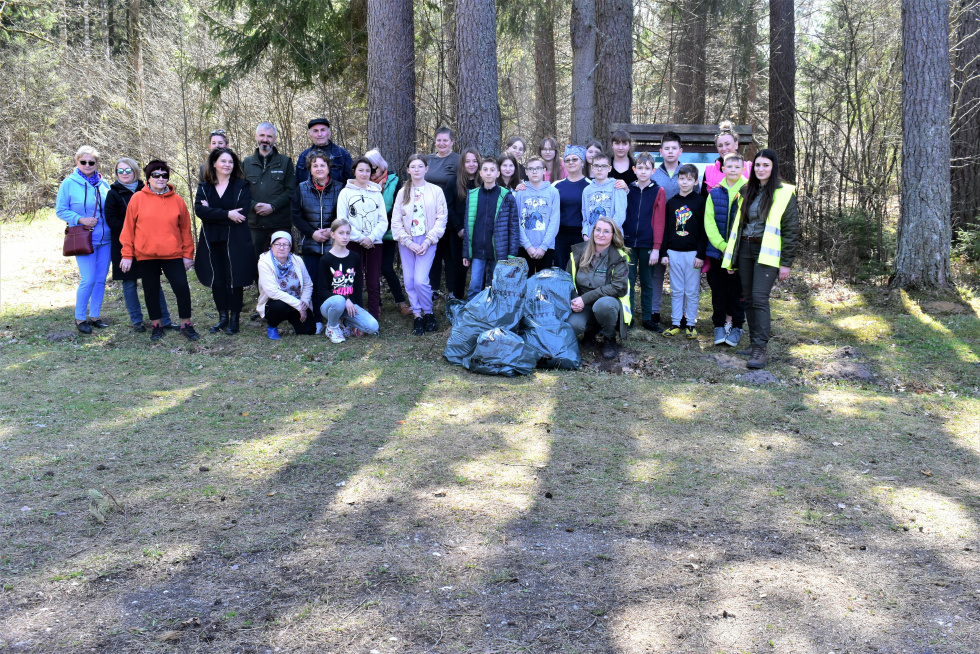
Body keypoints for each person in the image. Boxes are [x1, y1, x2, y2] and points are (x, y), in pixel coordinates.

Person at [721, 149, 799, 370]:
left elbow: (791, 230)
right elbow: (738, 226)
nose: (761, 169)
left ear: (773, 168)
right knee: (748, 297)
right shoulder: (748, 190)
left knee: (759, 298)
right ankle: (754, 343)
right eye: (757, 165)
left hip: (767, 252)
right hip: (745, 248)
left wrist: (786, 262)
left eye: (765, 165)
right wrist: (732, 257)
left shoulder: (784, 193)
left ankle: (760, 349)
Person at [119, 160, 198, 342]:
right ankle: (157, 325)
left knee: (181, 287)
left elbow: (186, 230)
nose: (161, 178)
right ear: (148, 177)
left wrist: (188, 255)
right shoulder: (137, 199)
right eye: (156, 175)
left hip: (173, 254)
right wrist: (127, 255)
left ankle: (186, 323)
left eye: (164, 175)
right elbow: (128, 229)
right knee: (151, 289)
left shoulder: (177, 200)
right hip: (146, 255)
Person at [105, 157, 177, 333]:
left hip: (148, 244)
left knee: (153, 283)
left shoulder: (148, 188)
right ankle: (137, 320)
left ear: (135, 171)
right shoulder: (113, 193)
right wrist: (133, 231)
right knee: (129, 282)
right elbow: (111, 220)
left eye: (127, 170)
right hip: (124, 244)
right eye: (120, 171)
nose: (124, 174)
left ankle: (164, 320)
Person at [194, 147, 256, 335]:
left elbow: (242, 213)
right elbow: (200, 211)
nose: (227, 165)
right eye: (223, 161)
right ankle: (223, 318)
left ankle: (235, 319)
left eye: (230, 162)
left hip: (235, 240)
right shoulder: (204, 187)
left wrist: (213, 212)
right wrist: (228, 213)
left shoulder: (242, 186)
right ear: (214, 163)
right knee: (217, 279)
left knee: (234, 279)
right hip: (212, 240)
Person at [56, 146, 112, 334]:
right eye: (83, 162)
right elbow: (60, 210)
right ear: (76, 161)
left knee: (100, 280)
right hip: (84, 239)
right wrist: (79, 219)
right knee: (88, 279)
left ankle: (95, 316)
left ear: (97, 163)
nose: (87, 165)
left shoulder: (104, 184)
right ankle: (80, 318)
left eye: (91, 162)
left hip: (106, 239)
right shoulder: (69, 183)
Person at [391, 154, 448, 335]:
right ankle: (417, 315)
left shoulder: (436, 191)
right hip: (407, 242)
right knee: (409, 280)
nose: (416, 169)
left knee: (421, 280)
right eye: (413, 167)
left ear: (426, 169)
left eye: (420, 166)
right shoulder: (403, 192)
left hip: (426, 241)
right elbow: (396, 221)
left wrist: (429, 240)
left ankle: (429, 312)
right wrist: (407, 241)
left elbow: (441, 217)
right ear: (408, 170)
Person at [291, 150, 341, 334]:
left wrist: (331, 230)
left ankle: (335, 319)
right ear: (310, 169)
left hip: (333, 246)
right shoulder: (301, 188)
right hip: (310, 246)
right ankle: (318, 319)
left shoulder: (339, 188)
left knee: (334, 283)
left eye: (322, 165)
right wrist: (312, 233)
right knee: (312, 283)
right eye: (315, 166)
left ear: (328, 168)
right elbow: (296, 217)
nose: (319, 169)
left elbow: (342, 214)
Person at [567, 218, 631, 360]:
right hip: (583, 304)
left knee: (603, 305)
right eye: (598, 230)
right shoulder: (578, 252)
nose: (601, 234)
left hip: (606, 302)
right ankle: (590, 331)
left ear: (613, 235)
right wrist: (575, 300)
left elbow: (618, 287)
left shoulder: (619, 257)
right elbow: (567, 281)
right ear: (593, 231)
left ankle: (609, 338)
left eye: (606, 231)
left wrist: (585, 299)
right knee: (573, 325)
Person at [705, 152, 749, 347]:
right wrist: (723, 246)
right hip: (718, 253)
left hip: (740, 253)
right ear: (723, 169)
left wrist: (734, 250)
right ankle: (719, 325)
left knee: (737, 291)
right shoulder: (714, 193)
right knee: (719, 290)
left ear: (743, 169)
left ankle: (737, 326)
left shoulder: (749, 192)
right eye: (729, 167)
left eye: (737, 167)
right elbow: (709, 223)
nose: (732, 170)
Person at [661, 164, 707, 339]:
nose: (685, 182)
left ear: (696, 181)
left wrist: (701, 254)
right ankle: (675, 323)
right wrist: (664, 253)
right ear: (677, 180)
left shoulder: (701, 202)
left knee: (692, 291)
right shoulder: (671, 202)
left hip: (693, 254)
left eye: (689, 179)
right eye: (682, 178)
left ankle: (690, 324)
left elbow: (704, 230)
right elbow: (666, 229)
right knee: (677, 289)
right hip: (674, 252)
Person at [462, 157, 520, 300]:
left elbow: (513, 228)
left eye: (492, 170)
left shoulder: (506, 196)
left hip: (498, 251)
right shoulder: (473, 195)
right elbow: (468, 225)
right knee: (475, 284)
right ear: (480, 173)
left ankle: (495, 317)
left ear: (498, 174)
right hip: (477, 250)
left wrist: (511, 255)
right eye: (485, 170)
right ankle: (473, 315)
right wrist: (466, 252)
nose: (488, 173)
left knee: (497, 286)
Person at [338, 157, 387, 320]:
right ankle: (356, 316)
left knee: (373, 281)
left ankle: (373, 316)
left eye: (368, 171)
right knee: (354, 280)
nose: (364, 174)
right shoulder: (345, 193)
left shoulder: (376, 193)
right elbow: (342, 219)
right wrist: (360, 238)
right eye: (361, 170)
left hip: (374, 243)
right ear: (354, 172)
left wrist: (371, 237)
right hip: (352, 242)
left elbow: (383, 220)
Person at [623, 152, 667, 332]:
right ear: (634, 169)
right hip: (628, 243)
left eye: (646, 168)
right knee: (629, 280)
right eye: (639, 168)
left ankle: (648, 318)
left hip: (648, 244)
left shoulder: (659, 191)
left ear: (653, 170)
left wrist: (657, 248)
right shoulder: (627, 190)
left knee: (647, 281)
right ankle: (629, 316)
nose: (643, 171)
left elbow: (659, 222)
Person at [316, 218, 380, 343]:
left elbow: (357, 286)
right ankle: (332, 327)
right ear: (333, 235)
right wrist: (345, 300)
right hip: (331, 306)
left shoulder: (354, 257)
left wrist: (359, 309)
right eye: (341, 233)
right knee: (339, 300)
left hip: (351, 307)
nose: (345, 237)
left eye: (348, 233)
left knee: (373, 327)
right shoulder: (325, 260)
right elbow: (322, 291)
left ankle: (346, 324)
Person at [366, 148, 411, 314]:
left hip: (389, 232)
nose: (371, 172)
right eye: (368, 168)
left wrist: (384, 220)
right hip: (370, 233)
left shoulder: (394, 181)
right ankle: (376, 303)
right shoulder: (363, 182)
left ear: (380, 165)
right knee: (373, 269)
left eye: (374, 168)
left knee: (386, 267)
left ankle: (401, 301)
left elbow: (400, 206)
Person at [244, 122, 297, 258]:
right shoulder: (246, 163)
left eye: (269, 136)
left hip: (279, 224)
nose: (265, 139)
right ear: (256, 136)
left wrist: (273, 206)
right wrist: (254, 205)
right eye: (262, 135)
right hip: (255, 225)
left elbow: (291, 190)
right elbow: (241, 192)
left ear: (275, 138)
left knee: (282, 261)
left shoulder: (285, 162)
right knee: (256, 263)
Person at [424, 127, 462, 300]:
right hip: (428, 214)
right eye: (438, 140)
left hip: (450, 213)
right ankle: (433, 288)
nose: (441, 143)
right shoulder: (427, 160)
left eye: (445, 140)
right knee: (433, 252)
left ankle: (452, 290)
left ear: (452, 141)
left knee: (451, 253)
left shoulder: (458, 160)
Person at [257, 232, 315, 339]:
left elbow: (308, 284)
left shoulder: (297, 260)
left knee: (308, 330)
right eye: (278, 244)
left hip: (297, 301)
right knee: (280, 307)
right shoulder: (264, 262)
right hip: (277, 302)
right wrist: (298, 305)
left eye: (286, 244)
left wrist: (304, 302)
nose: (282, 248)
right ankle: (272, 326)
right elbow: (272, 291)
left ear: (290, 247)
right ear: (271, 246)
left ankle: (292, 319)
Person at [516, 156, 560, 274]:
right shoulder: (520, 192)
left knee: (543, 285)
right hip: (524, 247)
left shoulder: (553, 192)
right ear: (526, 172)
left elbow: (554, 221)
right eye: (531, 169)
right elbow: (517, 220)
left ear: (544, 171)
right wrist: (527, 245)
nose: (534, 171)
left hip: (546, 247)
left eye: (538, 168)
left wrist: (543, 246)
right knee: (525, 283)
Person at [553, 145, 590, 270]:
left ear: (582, 162)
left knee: (580, 270)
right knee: (561, 269)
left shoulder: (590, 186)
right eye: (567, 160)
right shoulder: (556, 186)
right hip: (560, 236)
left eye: (575, 159)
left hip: (581, 235)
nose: (571, 162)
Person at [582, 152, 627, 240]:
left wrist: (607, 233)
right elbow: (585, 216)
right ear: (592, 168)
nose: (599, 169)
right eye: (596, 166)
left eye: (603, 166)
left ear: (609, 168)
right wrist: (585, 233)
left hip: (612, 237)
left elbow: (620, 215)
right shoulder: (587, 190)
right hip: (592, 238)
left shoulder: (617, 186)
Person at [295, 117, 353, 185]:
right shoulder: (303, 156)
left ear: (329, 133)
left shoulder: (343, 155)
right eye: (316, 131)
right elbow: (297, 184)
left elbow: (352, 182)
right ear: (310, 135)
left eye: (323, 130)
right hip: (308, 195)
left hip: (338, 195)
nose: (320, 134)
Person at [702, 121, 752, 195]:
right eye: (720, 145)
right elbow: (703, 198)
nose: (724, 148)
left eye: (727, 144)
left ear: (736, 144)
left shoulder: (749, 168)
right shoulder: (709, 170)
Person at [652, 131, 684, 200]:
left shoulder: (688, 173)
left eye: (674, 148)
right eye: (667, 148)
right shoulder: (653, 175)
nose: (670, 151)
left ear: (680, 151)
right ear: (661, 152)